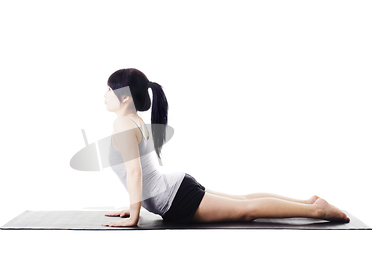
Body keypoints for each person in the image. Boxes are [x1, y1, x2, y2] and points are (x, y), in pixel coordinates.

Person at [102, 68, 350, 227]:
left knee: (246, 209)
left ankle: (316, 210)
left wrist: (135, 215)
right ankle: (308, 202)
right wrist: (135, 205)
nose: (105, 94)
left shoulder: (123, 123)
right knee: (243, 201)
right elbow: (137, 172)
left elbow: (135, 172)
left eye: (110, 89)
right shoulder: (133, 120)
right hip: (175, 189)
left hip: (174, 198)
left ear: (125, 97)